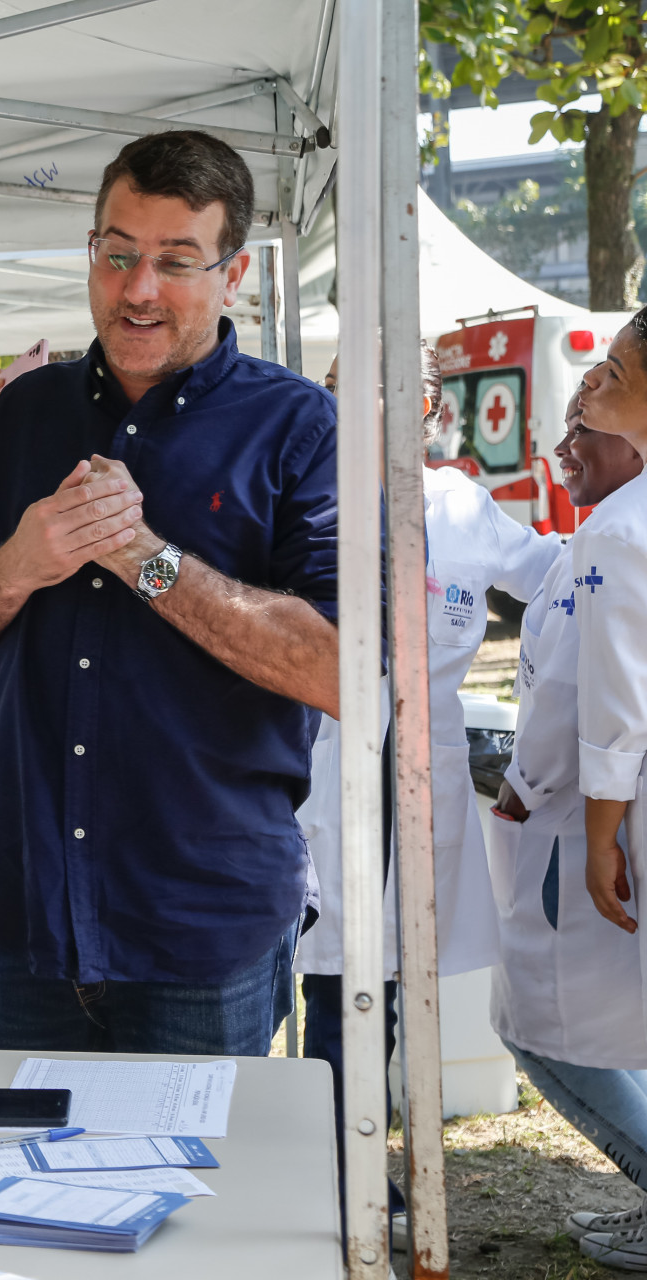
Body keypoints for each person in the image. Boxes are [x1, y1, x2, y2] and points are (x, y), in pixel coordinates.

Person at [0, 129, 338, 1055]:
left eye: (177, 262)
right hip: (25, 930)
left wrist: (147, 560)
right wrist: (23, 561)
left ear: (235, 277)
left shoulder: (297, 426)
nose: (139, 288)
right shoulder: (27, 415)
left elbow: (344, 670)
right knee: (3, 1197)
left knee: (199, 1201)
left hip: (201, 930)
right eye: (118, 255)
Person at [299, 344, 557, 1246]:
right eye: (346, 390)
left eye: (389, 395)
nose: (365, 409)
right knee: (329, 982)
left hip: (424, 761)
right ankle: (330, 1172)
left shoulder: (461, 507)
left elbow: (560, 583)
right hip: (325, 753)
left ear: (427, 411)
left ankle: (380, 1165)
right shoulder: (301, 492)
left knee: (400, 983)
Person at [483, 384, 647, 1264]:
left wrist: (519, 786)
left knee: (541, 1027)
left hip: (582, 816)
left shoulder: (618, 534)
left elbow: (577, 700)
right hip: (588, 811)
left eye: (589, 429)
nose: (565, 444)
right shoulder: (599, 532)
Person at [538, 311, 647, 1270]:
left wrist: (603, 839)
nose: (590, 383)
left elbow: (617, 701)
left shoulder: (622, 528)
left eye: (612, 369)